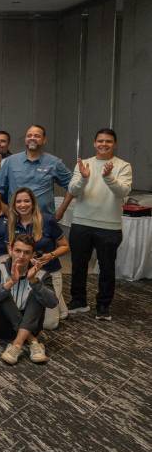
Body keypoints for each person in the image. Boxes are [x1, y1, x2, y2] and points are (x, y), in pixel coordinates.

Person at [66, 128, 133, 321]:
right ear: (94, 143)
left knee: (107, 268)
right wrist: (84, 178)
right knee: (78, 265)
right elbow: (72, 190)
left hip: (109, 227)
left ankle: (103, 305)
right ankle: (78, 301)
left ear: (115, 144)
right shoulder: (83, 164)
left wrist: (108, 177)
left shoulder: (123, 166)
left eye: (108, 141)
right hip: (81, 223)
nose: (104, 144)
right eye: (100, 141)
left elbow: (123, 192)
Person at [0, 234, 57, 365]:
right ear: (10, 250)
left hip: (31, 325)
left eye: (27, 252)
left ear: (33, 254)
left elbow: (52, 303)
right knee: (3, 291)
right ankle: (32, 341)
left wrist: (34, 281)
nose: (21, 256)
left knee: (37, 292)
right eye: (18, 251)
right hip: (1, 326)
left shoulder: (42, 274)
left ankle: (17, 345)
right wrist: (10, 282)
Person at [7, 187, 69, 328]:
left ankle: (56, 296)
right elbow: (10, 248)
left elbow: (65, 246)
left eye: (26, 201)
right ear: (14, 205)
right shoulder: (12, 222)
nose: (22, 205)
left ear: (33, 203)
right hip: (27, 274)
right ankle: (58, 300)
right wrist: (24, 260)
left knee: (49, 324)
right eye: (18, 202)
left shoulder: (47, 220)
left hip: (49, 272)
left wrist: (51, 255)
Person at [0, 124, 72, 215]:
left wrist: (61, 211)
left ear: (44, 140)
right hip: (16, 218)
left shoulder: (54, 162)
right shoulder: (10, 161)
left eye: (37, 136)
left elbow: (72, 186)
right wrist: (7, 211)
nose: (32, 138)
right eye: (29, 135)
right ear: (25, 139)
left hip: (44, 218)